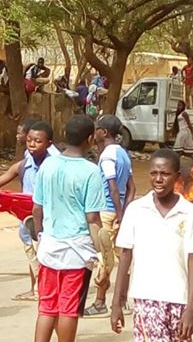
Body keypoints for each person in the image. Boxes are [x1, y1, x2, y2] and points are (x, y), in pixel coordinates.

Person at [111, 148, 193, 342]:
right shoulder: (136, 210)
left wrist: (191, 308)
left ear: (177, 176)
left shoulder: (189, 212)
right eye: (154, 173)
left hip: (178, 299)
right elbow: (125, 256)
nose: (158, 179)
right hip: (147, 299)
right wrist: (116, 304)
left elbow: (192, 259)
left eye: (165, 173)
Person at [32, 115, 107, 342]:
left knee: (46, 307)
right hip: (77, 250)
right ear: (90, 138)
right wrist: (102, 253)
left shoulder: (48, 164)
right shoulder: (91, 171)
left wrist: (39, 237)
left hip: (50, 246)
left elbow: (37, 208)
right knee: (69, 308)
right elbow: (93, 217)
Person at [0, 121, 58, 301]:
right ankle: (35, 289)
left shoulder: (54, 166)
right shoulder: (25, 163)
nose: (32, 144)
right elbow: (10, 173)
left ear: (48, 143)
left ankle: (47, 290)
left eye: (37, 141)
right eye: (30, 140)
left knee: (45, 254)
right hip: (25, 217)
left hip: (47, 219)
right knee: (30, 252)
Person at [84, 115, 136, 317]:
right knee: (121, 256)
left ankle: (99, 302)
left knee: (104, 257)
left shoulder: (107, 156)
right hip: (119, 210)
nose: (94, 133)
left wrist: (119, 214)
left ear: (103, 133)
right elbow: (131, 188)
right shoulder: (123, 154)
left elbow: (113, 187)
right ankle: (122, 300)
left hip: (106, 211)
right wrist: (124, 211)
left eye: (97, 129)